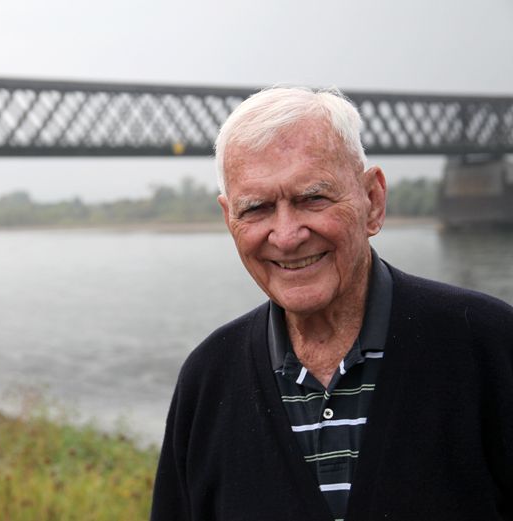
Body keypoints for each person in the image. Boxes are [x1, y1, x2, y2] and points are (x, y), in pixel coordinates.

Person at [150, 86, 513, 521]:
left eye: (312, 199)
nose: (286, 236)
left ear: (372, 201)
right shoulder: (207, 378)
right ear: (229, 218)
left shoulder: (490, 345)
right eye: (257, 208)